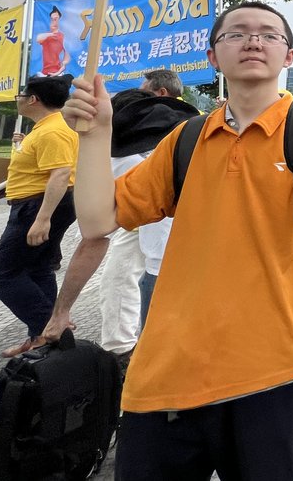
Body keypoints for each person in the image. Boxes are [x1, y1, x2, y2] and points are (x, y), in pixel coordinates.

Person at [61, 1, 293, 479]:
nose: (253, 40)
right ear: (211, 57)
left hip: (273, 364)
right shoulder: (184, 139)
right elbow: (98, 220)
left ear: (289, 57)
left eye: (269, 34)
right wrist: (96, 134)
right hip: (166, 371)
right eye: (237, 33)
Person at [39, 86, 199, 367]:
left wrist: (61, 312)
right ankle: (123, 347)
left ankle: (127, 357)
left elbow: (93, 239)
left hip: (168, 269)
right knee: (119, 276)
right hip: (193, 254)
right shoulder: (182, 141)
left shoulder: (120, 160)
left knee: (162, 354)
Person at [0, 74, 78, 359]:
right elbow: (38, 172)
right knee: (37, 269)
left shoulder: (53, 131)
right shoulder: (44, 128)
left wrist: (42, 218)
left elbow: (60, 175)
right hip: (34, 202)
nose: (20, 100)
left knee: (1, 276)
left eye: (21, 95)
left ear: (33, 99)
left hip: (38, 208)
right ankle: (43, 336)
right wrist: (4, 190)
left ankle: (52, 329)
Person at [36, 5, 70, 76]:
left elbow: (66, 57)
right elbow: (38, 39)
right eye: (52, 19)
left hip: (57, 73)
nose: (54, 22)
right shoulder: (47, 36)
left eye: (56, 19)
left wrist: (59, 71)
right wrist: (51, 35)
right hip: (45, 73)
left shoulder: (63, 37)